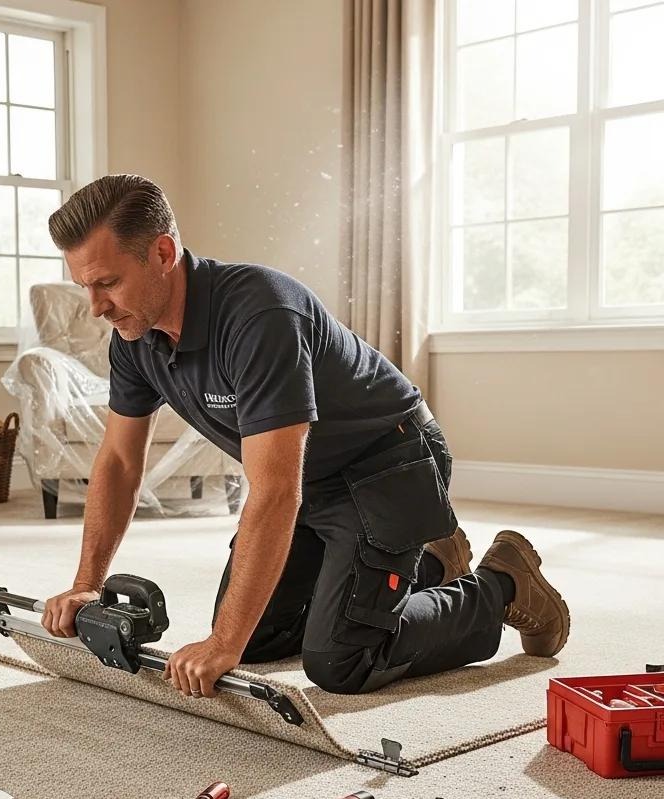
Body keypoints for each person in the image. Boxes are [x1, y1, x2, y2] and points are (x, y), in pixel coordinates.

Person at [40, 174, 569, 699]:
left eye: (107, 283)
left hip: (388, 462)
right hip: (310, 480)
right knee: (258, 638)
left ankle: (504, 584)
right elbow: (118, 462)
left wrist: (222, 640)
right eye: (84, 286)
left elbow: (273, 492)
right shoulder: (135, 337)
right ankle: (429, 561)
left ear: (161, 253)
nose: (95, 307)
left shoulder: (258, 313)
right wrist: (88, 582)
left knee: (341, 659)